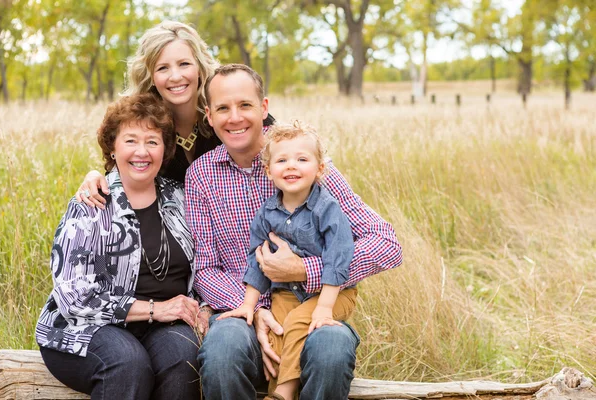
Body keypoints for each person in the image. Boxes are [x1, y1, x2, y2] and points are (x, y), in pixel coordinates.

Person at [185, 63, 403, 400]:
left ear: (264, 108)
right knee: (223, 350)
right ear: (209, 117)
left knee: (331, 348)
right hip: (243, 309)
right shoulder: (201, 175)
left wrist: (304, 270)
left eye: (245, 105)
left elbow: (386, 244)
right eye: (223, 108)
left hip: (313, 301)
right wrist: (255, 309)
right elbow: (205, 269)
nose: (235, 117)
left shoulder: (304, 163)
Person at [35, 93, 207, 400]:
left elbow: (207, 261)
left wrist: (201, 309)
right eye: (130, 140)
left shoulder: (181, 197)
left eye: (152, 141)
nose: (142, 151)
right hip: (88, 328)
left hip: (163, 327)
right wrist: (156, 309)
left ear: (165, 149)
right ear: (112, 148)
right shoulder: (91, 203)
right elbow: (73, 296)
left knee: (185, 356)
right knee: (127, 362)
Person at [217, 121, 358, 400]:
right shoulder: (267, 213)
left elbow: (338, 257)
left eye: (302, 159)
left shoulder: (326, 208)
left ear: (319, 169)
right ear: (269, 171)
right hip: (286, 294)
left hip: (333, 293)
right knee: (276, 333)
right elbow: (257, 260)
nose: (291, 166)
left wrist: (324, 308)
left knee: (296, 324)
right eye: (282, 160)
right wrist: (248, 305)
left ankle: (283, 392)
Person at [74, 20, 274, 207]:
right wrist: (95, 175)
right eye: (163, 68)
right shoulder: (144, 122)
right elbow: (125, 166)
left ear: (199, 67)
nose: (176, 76)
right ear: (151, 76)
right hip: (176, 232)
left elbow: (287, 149)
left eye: (184, 64)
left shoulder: (226, 112)